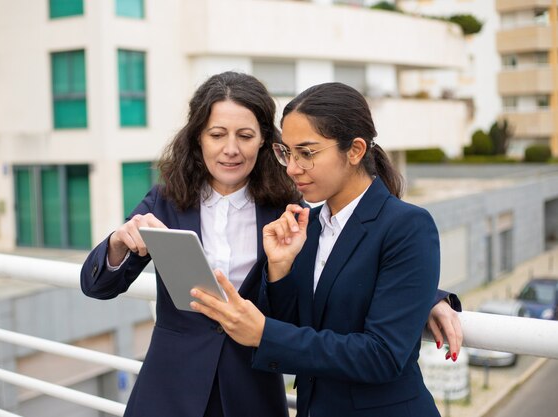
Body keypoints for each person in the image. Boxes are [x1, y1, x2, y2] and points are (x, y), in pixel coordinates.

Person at [81, 73, 460, 417]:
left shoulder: (292, 206)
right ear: (197, 138)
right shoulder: (165, 201)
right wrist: (117, 242)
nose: (231, 149)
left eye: (245, 136)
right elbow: (98, 285)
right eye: (216, 134)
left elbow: (354, 250)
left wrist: (427, 297)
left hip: (251, 391)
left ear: (264, 140)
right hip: (169, 390)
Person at [191, 82, 455, 416]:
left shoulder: (407, 225)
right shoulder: (307, 226)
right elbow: (295, 329)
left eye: (307, 153)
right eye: (287, 152)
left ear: (355, 151)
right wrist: (279, 268)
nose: (292, 168)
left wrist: (264, 333)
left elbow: (383, 355)